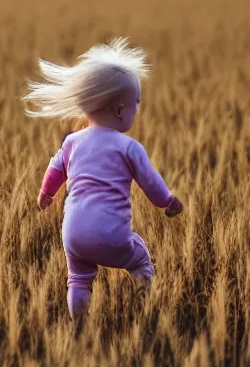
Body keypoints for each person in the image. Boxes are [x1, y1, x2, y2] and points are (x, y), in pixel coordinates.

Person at [21, 37, 184, 330]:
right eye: (136, 104)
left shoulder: (72, 141)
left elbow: (55, 167)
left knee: (79, 279)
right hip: (112, 235)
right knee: (140, 259)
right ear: (121, 111)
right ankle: (145, 309)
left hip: (73, 234)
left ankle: (79, 325)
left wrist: (46, 193)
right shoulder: (129, 147)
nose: (137, 110)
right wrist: (167, 201)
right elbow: (151, 182)